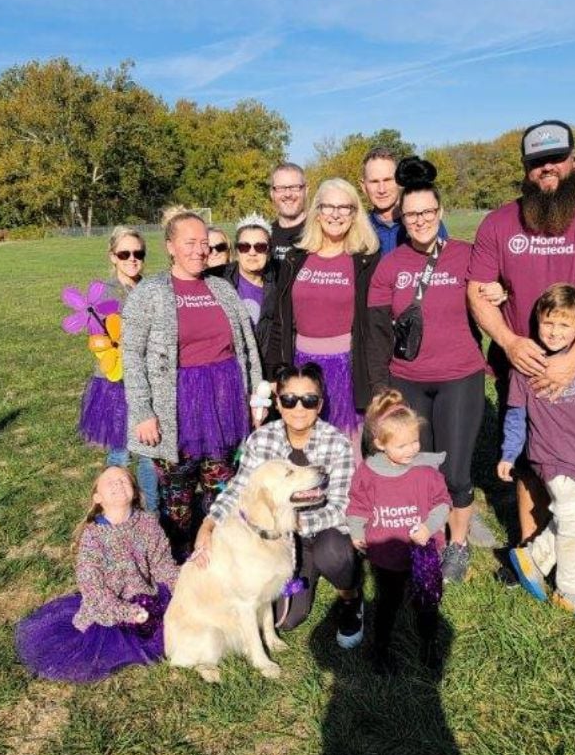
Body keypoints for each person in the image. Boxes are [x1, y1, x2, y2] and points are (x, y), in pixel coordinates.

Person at [466, 119, 575, 604]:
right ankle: (531, 549)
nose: (548, 169)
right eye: (538, 162)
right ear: (525, 168)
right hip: (521, 372)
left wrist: (571, 361)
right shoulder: (499, 223)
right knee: (528, 462)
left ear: (574, 160)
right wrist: (508, 341)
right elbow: (478, 293)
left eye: (556, 158)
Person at [365, 156, 490, 583]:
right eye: (411, 214)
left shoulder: (467, 255)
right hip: (409, 379)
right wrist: (382, 386)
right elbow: (378, 329)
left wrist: (497, 289)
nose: (419, 220)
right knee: (421, 467)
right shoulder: (391, 264)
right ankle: (430, 538)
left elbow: (495, 293)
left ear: (440, 213)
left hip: (460, 375)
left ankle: (458, 544)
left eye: (427, 213)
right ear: (401, 217)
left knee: (454, 470)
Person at [122, 211, 264, 560]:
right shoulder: (151, 293)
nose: (199, 250)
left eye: (204, 243)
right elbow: (132, 355)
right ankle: (179, 565)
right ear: (170, 246)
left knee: (223, 489)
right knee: (178, 497)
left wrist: (255, 397)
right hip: (176, 411)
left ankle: (223, 559)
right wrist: (143, 412)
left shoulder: (221, 288)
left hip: (224, 404)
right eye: (190, 243)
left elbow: (246, 347)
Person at [195, 363, 365, 648]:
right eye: (289, 399)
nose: (299, 407)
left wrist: (296, 523)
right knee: (285, 620)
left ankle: (351, 597)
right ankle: (306, 578)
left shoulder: (337, 442)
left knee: (334, 553)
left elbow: (340, 505)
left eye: (309, 400)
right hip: (275, 541)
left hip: (320, 531)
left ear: (320, 404)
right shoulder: (261, 439)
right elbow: (240, 488)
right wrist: (208, 524)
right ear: (278, 402)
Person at [498, 284, 575, 620]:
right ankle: (570, 591)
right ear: (537, 321)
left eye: (564, 325)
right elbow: (516, 416)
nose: (555, 332)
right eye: (549, 323)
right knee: (573, 518)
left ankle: (534, 556)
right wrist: (508, 454)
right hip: (549, 455)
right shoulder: (527, 365)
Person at [14, 466, 180, 683]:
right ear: (97, 497)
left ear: (136, 492)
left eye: (123, 480)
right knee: (114, 644)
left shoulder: (149, 524)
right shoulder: (93, 536)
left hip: (148, 600)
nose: (118, 483)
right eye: (109, 482)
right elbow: (93, 587)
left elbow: (161, 564)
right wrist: (126, 612)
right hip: (108, 609)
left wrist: (181, 583)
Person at [267, 178, 381, 449]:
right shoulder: (296, 257)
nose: (336, 214)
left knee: (345, 446)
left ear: (355, 215)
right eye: (328, 206)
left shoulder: (366, 259)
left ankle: (346, 492)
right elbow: (279, 321)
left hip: (347, 366)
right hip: (301, 366)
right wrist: (276, 373)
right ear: (317, 211)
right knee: (303, 445)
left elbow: (374, 326)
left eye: (345, 207)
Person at [347, 389, 450, 675]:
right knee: (388, 602)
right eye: (403, 445)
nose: (412, 450)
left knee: (426, 602)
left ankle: (430, 646)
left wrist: (429, 527)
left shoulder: (426, 472)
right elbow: (358, 503)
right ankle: (380, 649)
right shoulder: (368, 473)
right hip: (386, 554)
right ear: (380, 443)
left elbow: (443, 503)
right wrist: (356, 529)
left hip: (422, 553)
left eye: (415, 441)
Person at [78, 225, 145, 468]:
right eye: (124, 254)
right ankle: (116, 500)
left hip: (146, 379)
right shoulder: (104, 294)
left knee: (149, 454)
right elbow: (101, 339)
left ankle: (150, 503)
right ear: (113, 257)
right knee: (121, 451)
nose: (132, 259)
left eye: (138, 254)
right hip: (117, 382)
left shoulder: (148, 287)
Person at [205, 213, 277, 356]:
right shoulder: (213, 282)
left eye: (260, 247)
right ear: (237, 251)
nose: (252, 252)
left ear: (268, 252)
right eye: (244, 246)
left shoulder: (280, 285)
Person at [360, 146, 446, 255]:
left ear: (399, 182)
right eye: (374, 182)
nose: (382, 189)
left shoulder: (425, 224)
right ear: (363, 186)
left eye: (388, 180)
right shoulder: (359, 230)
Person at [268, 162, 308, 262]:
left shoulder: (319, 232)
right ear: (272, 193)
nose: (288, 194)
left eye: (294, 187)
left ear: (306, 191)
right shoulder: (265, 236)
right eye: (280, 188)